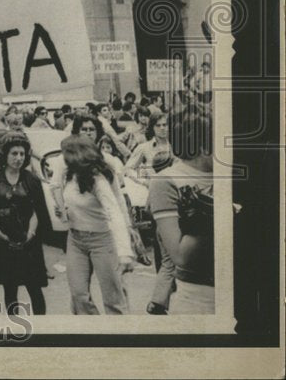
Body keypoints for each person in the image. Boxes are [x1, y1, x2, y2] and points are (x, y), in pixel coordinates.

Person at [147, 111, 214, 314]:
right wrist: (208, 214)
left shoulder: (230, 173)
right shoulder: (166, 181)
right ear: (203, 146)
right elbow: (179, 256)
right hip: (200, 294)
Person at [60, 136, 135, 314]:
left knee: (113, 299)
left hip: (101, 240)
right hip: (75, 240)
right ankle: (92, 331)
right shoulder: (68, 175)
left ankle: (118, 337)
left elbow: (114, 213)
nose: (63, 159)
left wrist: (124, 252)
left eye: (66, 155)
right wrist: (64, 211)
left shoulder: (98, 180)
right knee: (79, 295)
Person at [0, 132, 51, 315]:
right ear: (5, 154)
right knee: (10, 288)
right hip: (5, 242)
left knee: (34, 288)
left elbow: (37, 210)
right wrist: (0, 235)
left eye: (22, 154)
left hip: (28, 241)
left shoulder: (31, 180)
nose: (18, 158)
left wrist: (30, 234)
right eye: (14, 153)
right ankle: (13, 327)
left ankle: (41, 328)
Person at [125, 113, 173, 187]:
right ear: (152, 128)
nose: (162, 128)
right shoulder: (144, 147)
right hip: (155, 188)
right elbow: (128, 169)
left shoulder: (175, 146)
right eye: (158, 125)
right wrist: (144, 182)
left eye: (164, 125)